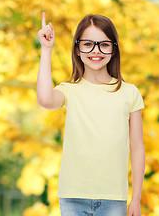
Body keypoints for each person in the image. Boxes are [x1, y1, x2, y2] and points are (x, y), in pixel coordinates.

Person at [36, 12, 145, 216]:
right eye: (88, 44)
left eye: (104, 44)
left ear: (114, 49)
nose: (96, 50)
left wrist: (136, 198)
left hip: (114, 199)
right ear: (77, 49)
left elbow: (138, 149)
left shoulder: (130, 93)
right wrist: (46, 50)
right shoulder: (69, 90)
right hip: (72, 197)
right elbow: (45, 99)